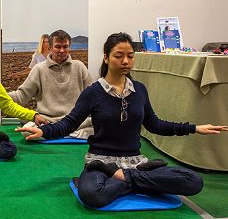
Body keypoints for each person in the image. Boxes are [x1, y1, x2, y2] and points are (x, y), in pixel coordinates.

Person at [16, 32, 227, 208]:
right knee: (92, 195)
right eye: (119, 56)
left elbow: (154, 125)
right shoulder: (93, 92)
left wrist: (195, 127)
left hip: (136, 163)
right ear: (106, 58)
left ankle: (126, 179)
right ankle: (136, 181)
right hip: (100, 163)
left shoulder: (140, 90)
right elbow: (70, 123)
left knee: (193, 181)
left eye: (130, 56)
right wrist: (44, 132)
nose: (126, 61)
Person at [9, 30, 93, 139]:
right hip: (47, 121)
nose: (62, 50)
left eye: (65, 47)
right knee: (27, 131)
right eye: (58, 47)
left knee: (100, 126)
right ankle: (66, 134)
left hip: (76, 121)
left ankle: (56, 133)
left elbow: (92, 95)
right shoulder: (39, 69)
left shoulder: (79, 66)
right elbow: (22, 96)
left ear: (69, 47)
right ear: (50, 48)